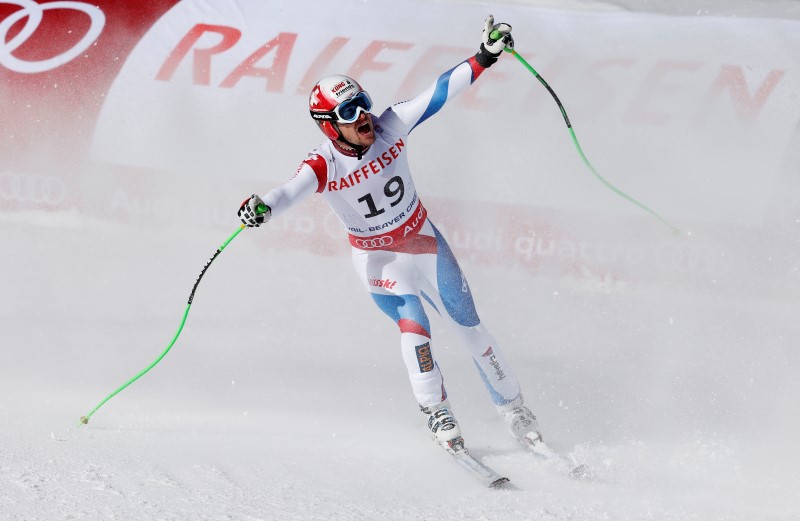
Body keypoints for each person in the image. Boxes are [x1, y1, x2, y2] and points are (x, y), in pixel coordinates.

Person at [238, 16, 542, 454]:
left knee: (469, 327)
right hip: (379, 260)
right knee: (414, 328)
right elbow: (286, 192)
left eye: (362, 102)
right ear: (329, 125)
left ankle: (514, 408)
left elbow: (437, 94)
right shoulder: (324, 165)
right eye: (348, 112)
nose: (362, 115)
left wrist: (484, 57)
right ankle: (437, 411)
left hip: (423, 241)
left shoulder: (390, 125)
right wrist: (262, 208)